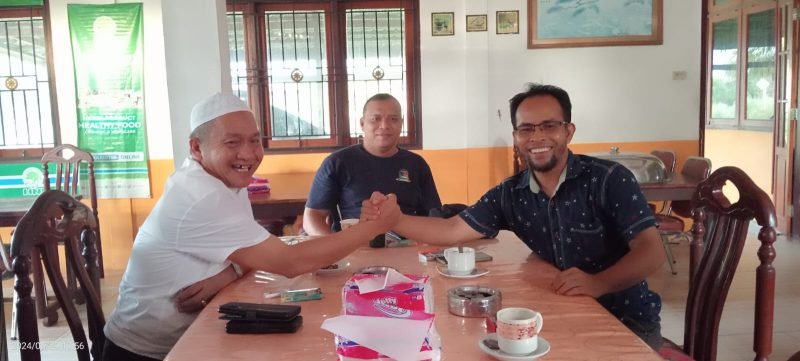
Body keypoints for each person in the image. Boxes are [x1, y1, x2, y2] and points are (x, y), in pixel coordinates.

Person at [363, 84, 666, 349]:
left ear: (568, 131)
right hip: (561, 310)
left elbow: (652, 252)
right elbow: (452, 229)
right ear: (516, 136)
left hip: (626, 321)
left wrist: (599, 283)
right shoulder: (510, 193)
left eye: (549, 126)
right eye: (527, 129)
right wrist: (394, 220)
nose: (537, 137)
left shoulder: (608, 179)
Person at [102, 92, 400, 361]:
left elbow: (253, 251)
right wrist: (372, 227)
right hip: (145, 351)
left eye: (255, 140)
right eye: (232, 142)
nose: (248, 154)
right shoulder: (201, 194)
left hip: (196, 331)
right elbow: (290, 262)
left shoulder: (223, 181)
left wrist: (227, 273)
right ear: (196, 147)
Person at [303, 93, 441, 235]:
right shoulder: (337, 163)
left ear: (401, 123)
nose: (384, 126)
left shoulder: (417, 164)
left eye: (393, 119)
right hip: (353, 250)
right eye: (376, 119)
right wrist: (335, 249)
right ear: (362, 124)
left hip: (406, 248)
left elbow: (434, 217)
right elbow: (312, 217)